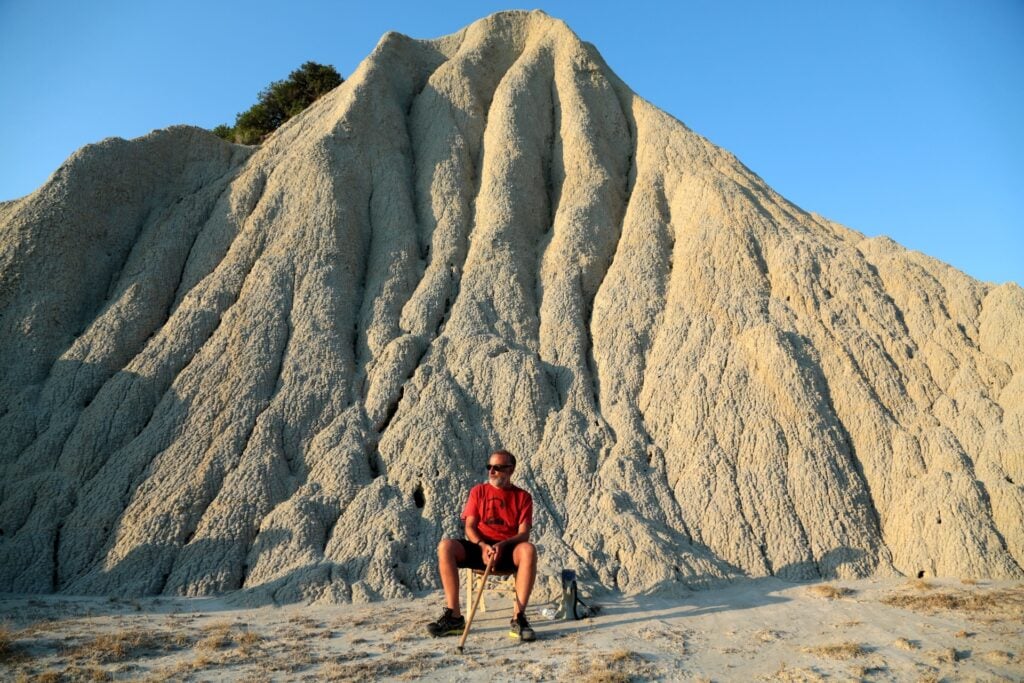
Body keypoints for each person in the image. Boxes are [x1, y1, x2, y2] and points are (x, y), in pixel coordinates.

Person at [427, 449, 537, 641]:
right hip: (480, 548)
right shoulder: (478, 491)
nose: (492, 471)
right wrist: (482, 545)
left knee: (528, 550)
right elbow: (469, 527)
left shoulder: (523, 497)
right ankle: (454, 617)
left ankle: (518, 618)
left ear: (510, 470)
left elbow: (523, 534)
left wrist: (502, 545)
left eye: (498, 468)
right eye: (490, 467)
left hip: (508, 550)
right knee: (446, 546)